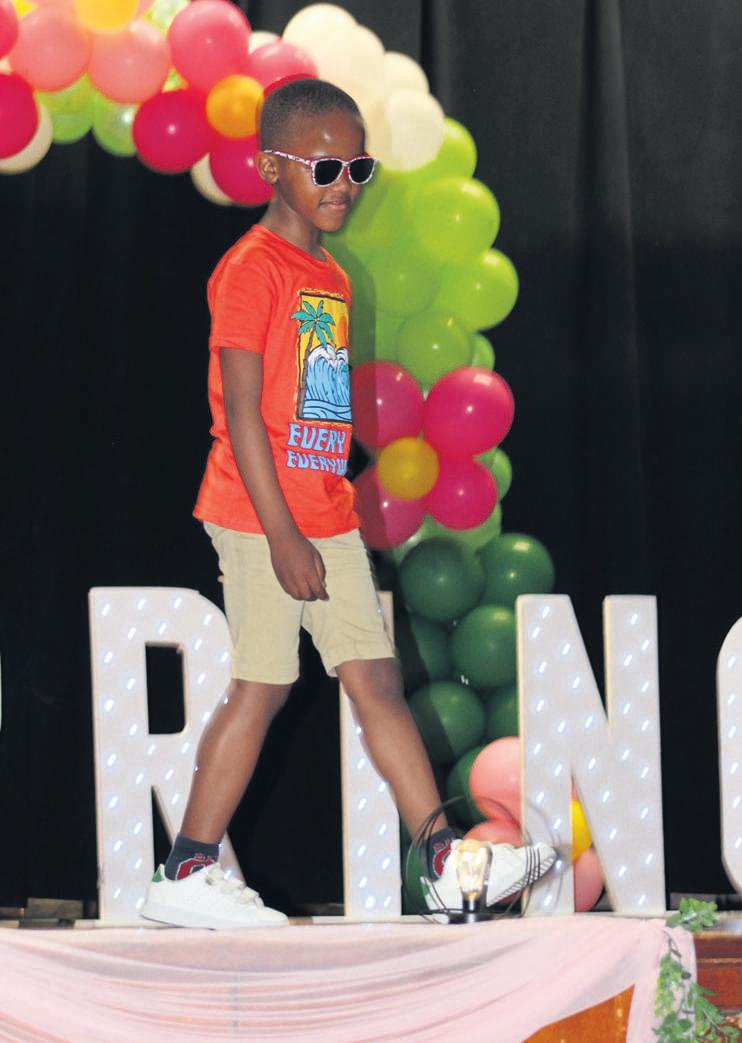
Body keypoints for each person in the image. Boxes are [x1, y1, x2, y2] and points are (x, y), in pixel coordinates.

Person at [141, 79, 556, 930]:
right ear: (270, 167)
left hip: (322, 512)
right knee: (263, 685)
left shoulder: (329, 275)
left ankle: (444, 866)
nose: (344, 184)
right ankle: (185, 870)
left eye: (356, 167)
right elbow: (243, 414)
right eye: (324, 166)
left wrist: (322, 518)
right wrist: (283, 533)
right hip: (260, 511)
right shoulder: (252, 268)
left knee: (376, 680)